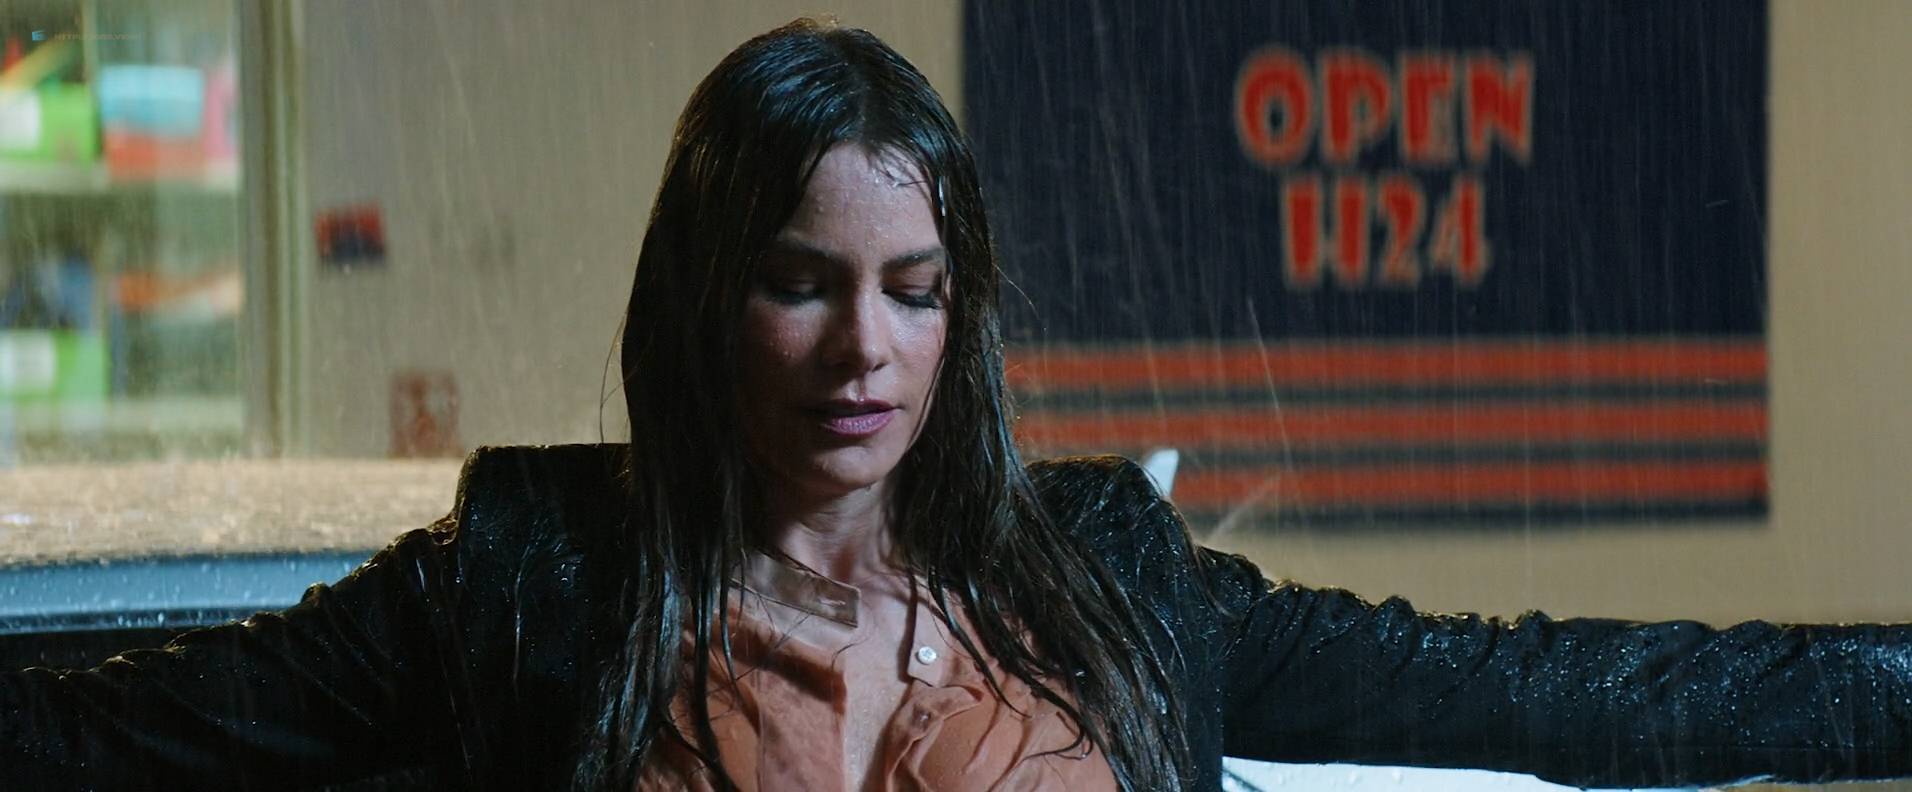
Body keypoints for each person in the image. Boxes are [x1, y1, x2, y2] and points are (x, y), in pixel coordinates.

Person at [4, 18, 1910, 792]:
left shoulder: (1106, 577)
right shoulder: (535, 580)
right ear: (707, 299)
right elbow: (122, 732)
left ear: (961, 315)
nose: (866, 350)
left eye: (913, 294)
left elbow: (1559, 691)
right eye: (802, 284)